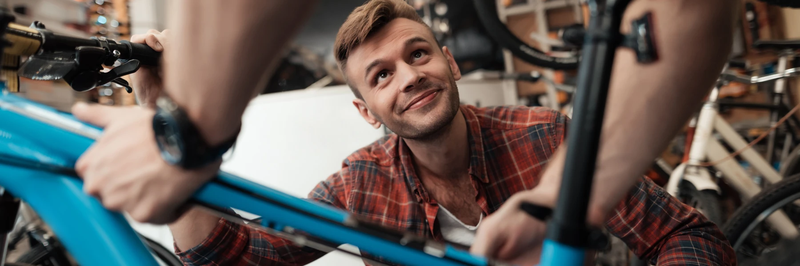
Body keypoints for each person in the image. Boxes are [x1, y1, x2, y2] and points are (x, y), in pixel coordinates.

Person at [70, 0, 737, 265]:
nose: (408, 78)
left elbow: (692, 238)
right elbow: (230, 259)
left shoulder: (546, 139)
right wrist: (174, 125)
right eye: (380, 75)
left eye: (418, 55)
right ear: (365, 110)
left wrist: (183, 135)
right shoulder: (360, 184)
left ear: (449, 61)